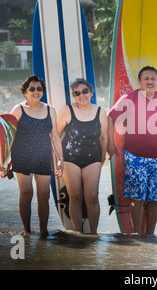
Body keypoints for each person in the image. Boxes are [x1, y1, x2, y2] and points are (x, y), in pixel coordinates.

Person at [0, 75, 64, 236]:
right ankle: (27, 231)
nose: (36, 91)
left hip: (43, 156)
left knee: (44, 194)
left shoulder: (50, 110)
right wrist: (0, 158)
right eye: (32, 89)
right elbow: (6, 136)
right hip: (22, 155)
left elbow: (55, 137)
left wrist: (60, 159)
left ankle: (43, 231)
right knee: (26, 193)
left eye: (39, 89)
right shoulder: (18, 109)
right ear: (25, 92)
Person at [107, 66, 157, 234]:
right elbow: (110, 118)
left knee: (154, 198)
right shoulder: (129, 98)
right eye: (146, 78)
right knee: (138, 197)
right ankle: (137, 234)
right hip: (135, 157)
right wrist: (110, 144)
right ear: (139, 81)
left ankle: (150, 235)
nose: (150, 81)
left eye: (153, 79)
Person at [57, 78, 108, 233]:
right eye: (77, 93)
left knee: (92, 197)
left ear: (91, 92)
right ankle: (78, 233)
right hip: (70, 158)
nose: (81, 95)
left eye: (85, 91)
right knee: (76, 197)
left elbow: (103, 137)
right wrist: (57, 159)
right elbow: (56, 136)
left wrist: (102, 158)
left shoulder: (100, 112)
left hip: (93, 158)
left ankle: (94, 234)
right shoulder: (67, 110)